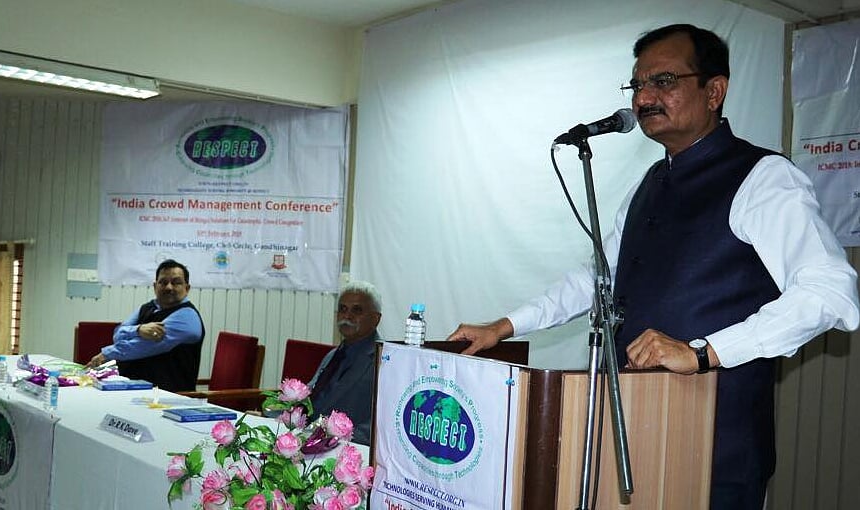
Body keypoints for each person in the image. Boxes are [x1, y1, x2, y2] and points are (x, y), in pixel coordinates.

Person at [447, 24, 859, 510]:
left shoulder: (763, 178)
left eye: (663, 81)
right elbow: (596, 280)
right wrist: (504, 326)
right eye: (638, 85)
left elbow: (832, 292)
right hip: (635, 433)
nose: (643, 98)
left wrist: (703, 352)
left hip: (715, 446)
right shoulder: (648, 183)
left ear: (714, 91)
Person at [88, 259, 205, 392]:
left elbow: (143, 346)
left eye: (176, 282)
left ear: (187, 288)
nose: (169, 287)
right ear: (155, 286)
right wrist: (138, 330)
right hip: (131, 387)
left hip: (168, 395)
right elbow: (118, 334)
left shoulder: (187, 317)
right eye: (163, 282)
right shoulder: (148, 307)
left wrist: (107, 354)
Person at [308, 280, 383, 446]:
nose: (347, 316)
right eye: (342, 309)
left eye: (357, 310)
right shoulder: (332, 355)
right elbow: (310, 397)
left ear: (376, 319)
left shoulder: (383, 362)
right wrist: (278, 413)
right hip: (308, 438)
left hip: (346, 448)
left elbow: (381, 423)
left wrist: (336, 440)